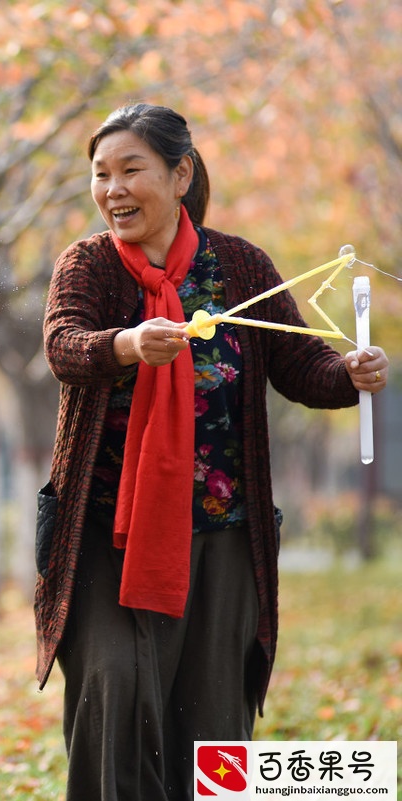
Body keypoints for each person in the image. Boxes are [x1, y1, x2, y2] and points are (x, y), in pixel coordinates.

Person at [38, 102, 390, 800]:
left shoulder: (240, 266)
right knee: (111, 689)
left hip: (223, 535)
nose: (112, 189)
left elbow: (302, 368)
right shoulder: (87, 265)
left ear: (180, 174)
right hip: (108, 530)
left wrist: (351, 375)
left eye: (130, 169)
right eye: (100, 174)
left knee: (212, 717)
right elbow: (63, 346)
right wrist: (127, 344)